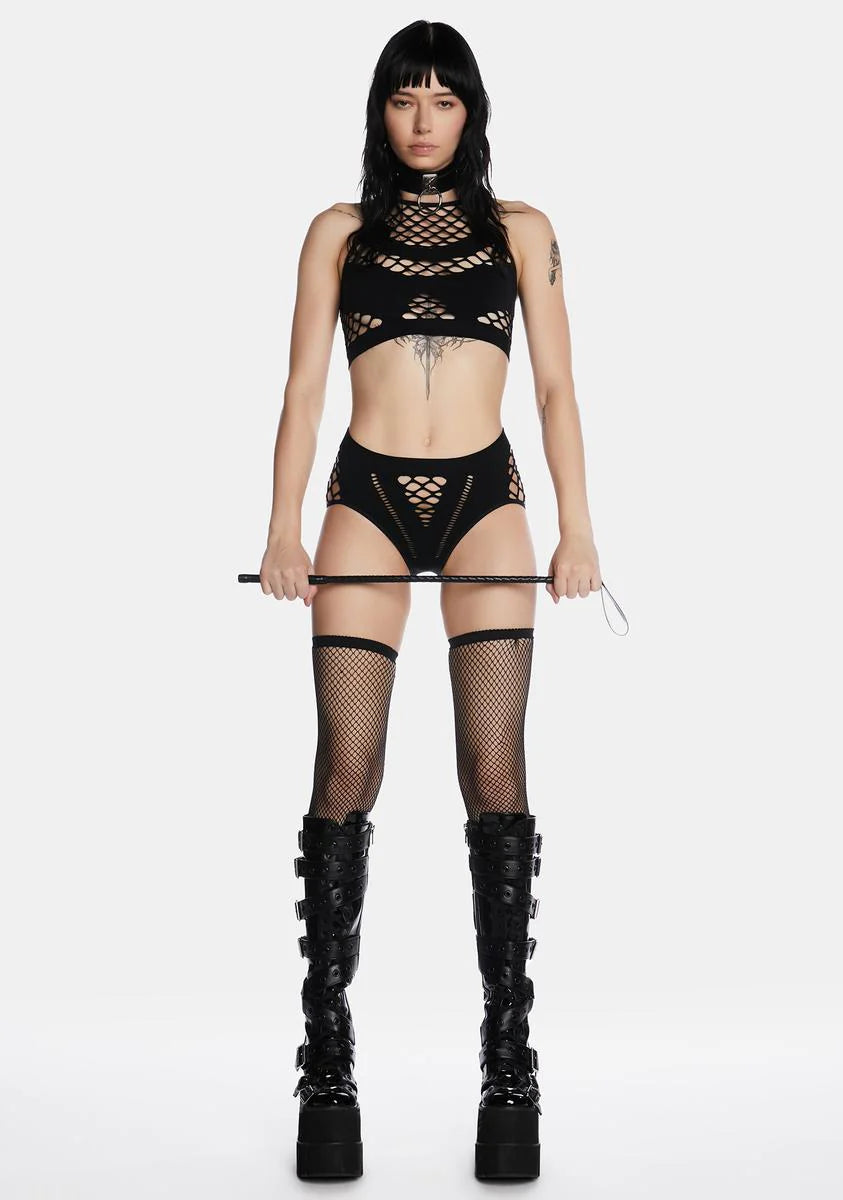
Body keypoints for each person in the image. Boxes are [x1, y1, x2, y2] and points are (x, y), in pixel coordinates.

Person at [258, 20, 601, 1182]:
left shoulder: (522, 231)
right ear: (380, 111)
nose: (422, 120)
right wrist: (282, 529)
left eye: (443, 100)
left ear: (471, 113)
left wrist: (579, 529)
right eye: (405, 99)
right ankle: (327, 1062)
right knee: (345, 767)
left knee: (494, 769)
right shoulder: (337, 233)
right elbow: (304, 388)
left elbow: (554, 388)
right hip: (365, 496)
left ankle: (510, 1066)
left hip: (482, 499)